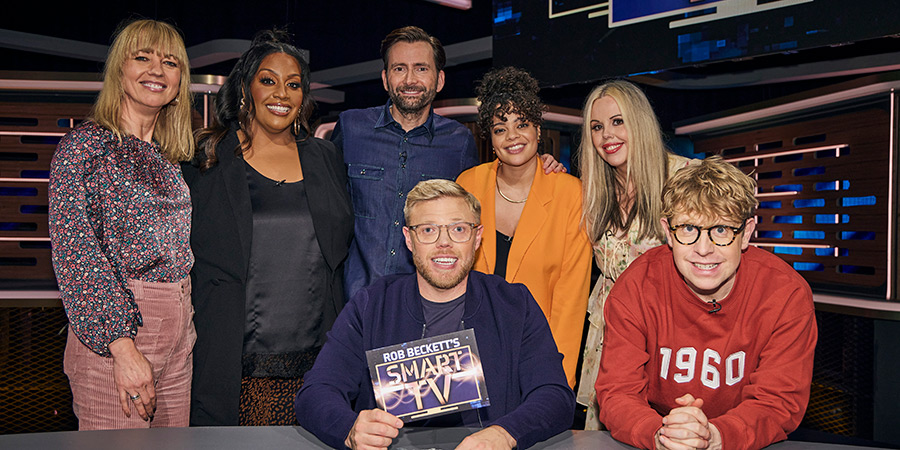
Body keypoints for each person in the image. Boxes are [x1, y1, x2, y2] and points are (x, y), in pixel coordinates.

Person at [295, 179, 574, 450]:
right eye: (428, 230)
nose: (444, 243)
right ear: (409, 239)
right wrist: (350, 428)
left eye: (459, 229)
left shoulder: (515, 304)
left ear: (477, 238)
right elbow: (316, 393)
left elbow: (554, 396)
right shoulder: (371, 305)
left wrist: (507, 433)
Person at [183, 30, 353, 426]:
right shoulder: (206, 158)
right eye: (268, 80)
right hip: (233, 363)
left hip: (317, 363)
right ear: (245, 88)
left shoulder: (326, 157)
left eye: (293, 84)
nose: (281, 93)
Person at [595, 157, 817, 450]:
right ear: (668, 231)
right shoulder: (635, 286)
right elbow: (617, 393)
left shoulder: (786, 294)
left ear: (747, 233)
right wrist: (661, 435)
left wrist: (717, 436)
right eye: (688, 229)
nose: (703, 249)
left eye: (722, 230)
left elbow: (778, 400)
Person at [334, 26, 563, 300]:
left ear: (439, 79)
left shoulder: (459, 142)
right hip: (356, 302)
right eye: (399, 69)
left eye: (421, 68)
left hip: (429, 308)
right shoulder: (351, 129)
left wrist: (538, 165)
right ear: (385, 79)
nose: (410, 79)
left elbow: (485, 194)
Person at [49, 19, 196, 429]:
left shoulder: (170, 155)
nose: (157, 70)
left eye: (170, 62)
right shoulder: (85, 147)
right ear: (119, 69)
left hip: (179, 330)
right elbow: (76, 252)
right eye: (142, 57)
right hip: (120, 334)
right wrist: (122, 347)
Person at [456, 67, 590, 388]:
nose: (513, 136)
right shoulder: (467, 185)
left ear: (538, 129)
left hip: (536, 358)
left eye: (522, 124)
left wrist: (556, 383)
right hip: (469, 359)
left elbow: (569, 303)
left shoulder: (571, 194)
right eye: (501, 128)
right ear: (489, 136)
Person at [575, 80, 696, 428]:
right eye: (596, 127)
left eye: (618, 121)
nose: (606, 135)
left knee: (671, 431)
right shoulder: (596, 188)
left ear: (639, 122)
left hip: (672, 335)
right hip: (611, 337)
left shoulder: (684, 177)